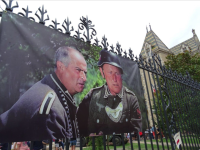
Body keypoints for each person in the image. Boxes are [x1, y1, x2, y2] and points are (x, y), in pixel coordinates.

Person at [0, 46, 87, 142]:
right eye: (78, 70)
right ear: (61, 67)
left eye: (85, 72)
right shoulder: (51, 108)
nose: (84, 78)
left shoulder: (53, 88)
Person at [77, 49, 142, 136]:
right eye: (110, 72)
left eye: (117, 73)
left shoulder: (131, 99)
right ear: (102, 72)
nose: (114, 79)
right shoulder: (93, 96)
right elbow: (79, 123)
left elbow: (137, 131)